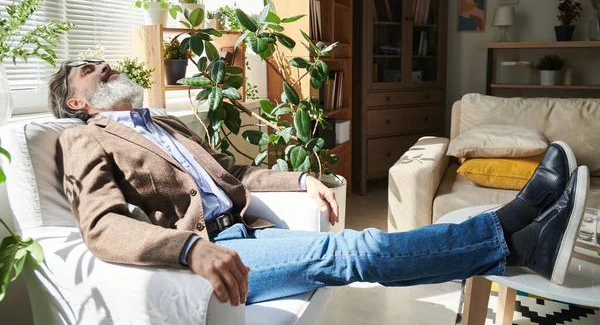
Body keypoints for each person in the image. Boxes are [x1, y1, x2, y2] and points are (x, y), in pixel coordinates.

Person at [49, 59, 589, 306]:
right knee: (359, 249)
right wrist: (189, 248)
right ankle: (513, 229)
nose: (105, 67)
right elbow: (101, 225)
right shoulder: (83, 138)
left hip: (250, 229)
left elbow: (233, 174)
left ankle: (523, 240)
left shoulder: (164, 123)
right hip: (218, 250)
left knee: (355, 247)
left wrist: (302, 176)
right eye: (90, 70)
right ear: (76, 102)